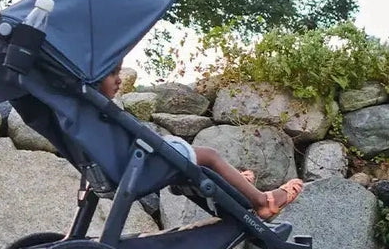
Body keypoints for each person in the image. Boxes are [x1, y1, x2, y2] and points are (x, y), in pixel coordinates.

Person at [97, 67, 303, 219]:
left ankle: (235, 185)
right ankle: (262, 201)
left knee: (195, 157)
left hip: (123, 166)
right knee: (209, 155)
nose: (119, 80)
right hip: (136, 165)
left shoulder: (87, 112)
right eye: (112, 74)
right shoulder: (102, 108)